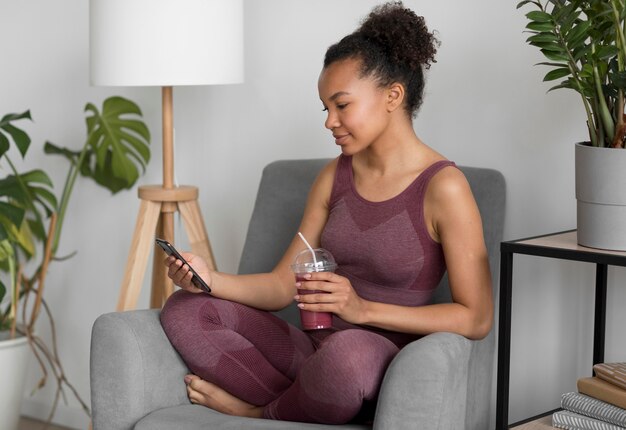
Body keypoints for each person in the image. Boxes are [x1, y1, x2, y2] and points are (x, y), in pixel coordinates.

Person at [160, 1, 493, 425]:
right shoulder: (333, 176)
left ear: (393, 95)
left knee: (348, 356)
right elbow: (283, 285)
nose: (329, 122)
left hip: (373, 361)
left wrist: (362, 310)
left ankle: (259, 413)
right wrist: (209, 280)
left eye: (342, 105)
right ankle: (307, 403)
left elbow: (476, 317)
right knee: (184, 309)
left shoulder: (444, 187)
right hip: (312, 351)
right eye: (326, 109)